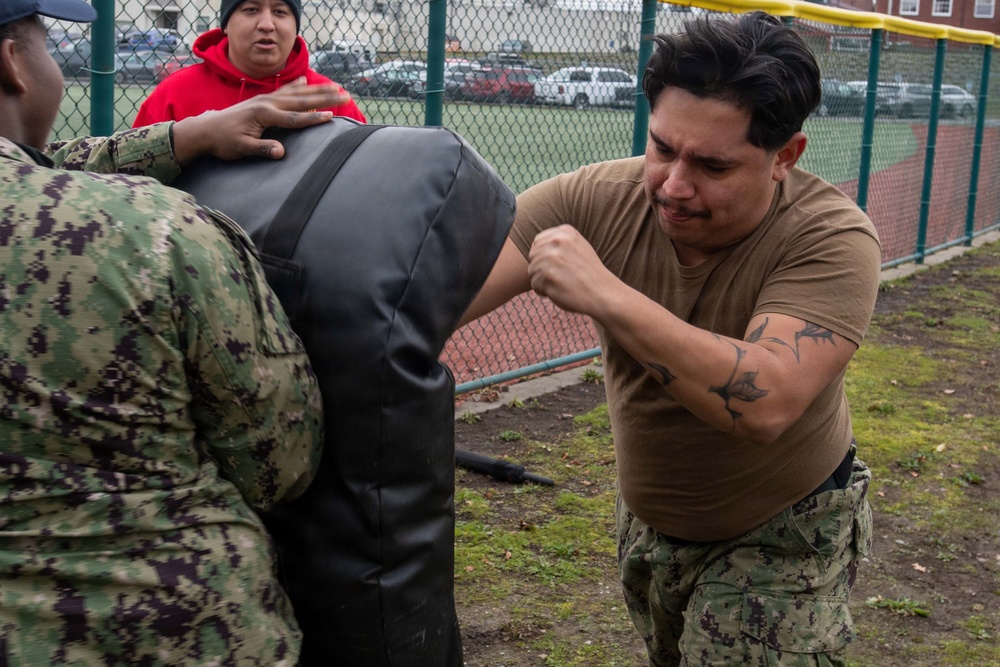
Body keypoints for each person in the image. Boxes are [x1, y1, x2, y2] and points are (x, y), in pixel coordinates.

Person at [460, 12, 881, 666]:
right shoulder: (600, 196)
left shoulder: (830, 239)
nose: (674, 185)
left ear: (785, 157)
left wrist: (607, 293)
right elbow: (449, 290)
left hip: (782, 527)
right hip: (651, 524)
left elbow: (765, 398)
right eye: (662, 147)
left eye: (712, 165)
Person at [0, 1, 353, 663]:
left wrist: (184, 138)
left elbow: (40, 165)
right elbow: (280, 463)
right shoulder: (160, 231)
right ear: (13, 64)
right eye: (46, 44)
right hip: (171, 628)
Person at [132, 0, 365, 127]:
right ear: (225, 25)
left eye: (280, 11)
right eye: (251, 9)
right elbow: (136, 175)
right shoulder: (175, 93)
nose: (266, 24)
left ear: (296, 28)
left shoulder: (330, 98)